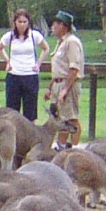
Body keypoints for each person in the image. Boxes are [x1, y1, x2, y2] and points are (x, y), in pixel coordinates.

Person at [0, 9, 49, 121]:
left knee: (30, 111)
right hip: (14, 74)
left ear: (28, 22)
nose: (22, 24)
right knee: (12, 110)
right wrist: (8, 61)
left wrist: (38, 63)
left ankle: (29, 136)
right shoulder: (10, 36)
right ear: (15, 22)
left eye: (24, 22)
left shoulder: (34, 35)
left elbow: (46, 48)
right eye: (19, 21)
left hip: (30, 75)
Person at [42, 10, 84, 145]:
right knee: (59, 119)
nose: (52, 26)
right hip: (57, 83)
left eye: (55, 23)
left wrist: (65, 89)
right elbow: (58, 69)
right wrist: (50, 88)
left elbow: (73, 68)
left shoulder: (72, 42)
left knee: (70, 118)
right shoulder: (60, 42)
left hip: (68, 83)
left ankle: (74, 147)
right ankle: (61, 147)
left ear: (63, 25)